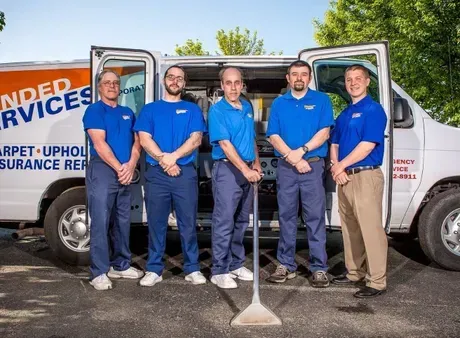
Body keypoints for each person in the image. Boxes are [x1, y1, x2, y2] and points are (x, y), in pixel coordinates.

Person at [134, 65, 207, 287]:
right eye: (171, 77)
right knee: (157, 223)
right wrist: (164, 160)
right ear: (164, 81)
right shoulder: (149, 109)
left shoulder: (192, 109)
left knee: (188, 223)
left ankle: (192, 268)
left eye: (179, 78)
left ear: (184, 83)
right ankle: (154, 269)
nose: (175, 81)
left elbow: (196, 139)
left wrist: (172, 158)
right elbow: (144, 139)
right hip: (157, 174)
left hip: (184, 173)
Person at [266, 60, 334, 287]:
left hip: (312, 166)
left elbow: (324, 133)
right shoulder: (278, 103)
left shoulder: (321, 100)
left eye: (303, 74)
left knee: (314, 218)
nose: (299, 78)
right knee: (286, 217)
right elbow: (273, 135)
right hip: (287, 168)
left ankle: (319, 267)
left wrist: (302, 152)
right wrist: (293, 158)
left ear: (309, 78)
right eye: (294, 74)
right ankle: (286, 264)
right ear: (288, 78)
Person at [329, 64, 388, 298]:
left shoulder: (374, 110)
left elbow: (368, 145)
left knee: (371, 230)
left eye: (358, 79)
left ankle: (377, 281)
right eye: (349, 79)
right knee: (350, 229)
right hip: (344, 177)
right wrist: (336, 168)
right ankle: (354, 272)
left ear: (367, 82)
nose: (353, 83)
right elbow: (334, 144)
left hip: (365, 175)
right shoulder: (343, 114)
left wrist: (340, 165)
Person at [83, 69, 143, 291]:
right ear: (99, 87)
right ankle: (99, 271)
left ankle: (120, 264)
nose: (111, 86)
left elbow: (138, 141)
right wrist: (120, 168)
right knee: (101, 221)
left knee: (122, 220)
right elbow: (99, 144)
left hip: (125, 170)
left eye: (115, 83)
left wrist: (131, 165)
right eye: (107, 83)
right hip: (103, 170)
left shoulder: (128, 112)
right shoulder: (94, 111)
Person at [208, 67, 262, 289]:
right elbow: (225, 145)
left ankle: (235, 264)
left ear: (242, 85)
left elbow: (251, 139)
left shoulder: (247, 107)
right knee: (224, 221)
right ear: (222, 85)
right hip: (228, 170)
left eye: (237, 83)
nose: (233, 87)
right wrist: (245, 169)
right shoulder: (217, 111)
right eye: (228, 83)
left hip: (248, 169)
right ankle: (219, 270)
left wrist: (256, 163)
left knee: (241, 220)